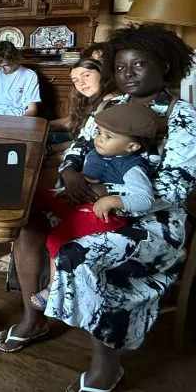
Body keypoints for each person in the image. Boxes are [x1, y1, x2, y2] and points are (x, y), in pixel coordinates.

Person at [0, 24, 196, 392]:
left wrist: (107, 194)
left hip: (148, 222)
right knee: (28, 221)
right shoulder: (110, 105)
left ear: (164, 65)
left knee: (80, 252)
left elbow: (174, 189)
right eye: (122, 66)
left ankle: (106, 363)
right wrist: (70, 173)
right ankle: (34, 318)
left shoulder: (184, 117)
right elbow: (79, 147)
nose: (128, 73)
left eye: (139, 65)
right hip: (87, 198)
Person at [0, 53, 116, 276]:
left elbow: (89, 145)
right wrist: (43, 127)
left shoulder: (111, 104)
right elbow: (76, 130)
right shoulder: (96, 102)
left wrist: (53, 152)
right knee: (32, 147)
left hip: (93, 171)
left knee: (32, 163)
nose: (81, 82)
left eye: (86, 75)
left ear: (102, 75)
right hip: (78, 156)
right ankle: (18, 248)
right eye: (76, 79)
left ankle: (19, 253)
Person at [28, 103, 158, 311]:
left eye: (108, 136)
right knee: (36, 198)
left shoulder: (131, 166)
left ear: (132, 147)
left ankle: (52, 289)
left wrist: (112, 200)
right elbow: (74, 160)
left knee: (57, 239)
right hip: (79, 201)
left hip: (101, 215)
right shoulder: (95, 151)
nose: (99, 138)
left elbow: (145, 198)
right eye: (99, 132)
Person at [0, 41, 41, 116]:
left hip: (18, 117)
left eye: (6, 65)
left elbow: (32, 110)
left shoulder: (30, 75)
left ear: (15, 60)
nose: (2, 70)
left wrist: (22, 123)